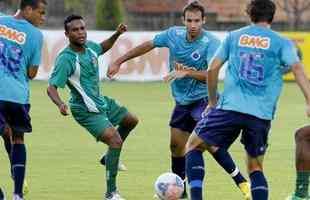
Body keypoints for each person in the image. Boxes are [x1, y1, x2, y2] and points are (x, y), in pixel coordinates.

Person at [108, 1, 250, 199]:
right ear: (183, 20)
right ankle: (178, 191)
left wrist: (186, 73)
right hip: (182, 102)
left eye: (197, 21)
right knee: (176, 146)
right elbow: (148, 45)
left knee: (207, 142)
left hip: (205, 100)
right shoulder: (173, 35)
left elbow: (211, 74)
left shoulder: (211, 42)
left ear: (204, 21)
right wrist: (118, 61)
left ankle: (241, 181)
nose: (193, 24)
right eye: (189, 20)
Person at [184, 0, 310, 200]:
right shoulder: (282, 43)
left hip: (230, 108)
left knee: (194, 145)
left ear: (248, 15)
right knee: (255, 167)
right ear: (272, 17)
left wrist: (211, 102)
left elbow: (212, 69)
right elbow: (297, 69)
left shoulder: (234, 36)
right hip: (261, 114)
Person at [47, 14, 138, 200]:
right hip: (85, 110)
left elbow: (103, 47)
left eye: (82, 28)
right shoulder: (66, 59)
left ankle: (108, 158)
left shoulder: (89, 48)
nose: (80, 32)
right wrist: (60, 104)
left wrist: (117, 34)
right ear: (67, 34)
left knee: (131, 120)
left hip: (101, 101)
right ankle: (111, 193)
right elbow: (51, 88)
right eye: (75, 30)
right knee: (115, 141)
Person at [0, 1, 46, 200]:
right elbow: (32, 72)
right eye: (41, 13)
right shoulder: (36, 35)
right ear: (28, 9)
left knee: (6, 135)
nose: (42, 18)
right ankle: (17, 194)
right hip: (18, 96)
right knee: (18, 139)